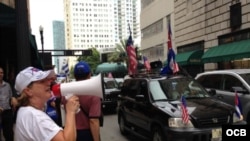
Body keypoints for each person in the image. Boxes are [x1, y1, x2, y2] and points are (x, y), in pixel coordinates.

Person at [14, 66, 80, 141]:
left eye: (46, 79)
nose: (49, 82)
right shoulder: (35, 116)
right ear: (28, 91)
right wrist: (70, 112)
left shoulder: (25, 111)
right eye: (41, 81)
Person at [68, 61, 102, 141]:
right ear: (89, 75)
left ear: (75, 76)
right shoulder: (94, 94)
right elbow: (93, 121)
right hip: (87, 134)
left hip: (70, 132)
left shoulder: (67, 93)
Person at [0, 66, 18, 141]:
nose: (0, 74)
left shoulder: (7, 85)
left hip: (7, 111)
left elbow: (11, 96)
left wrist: (13, 99)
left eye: (1, 72)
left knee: (9, 133)